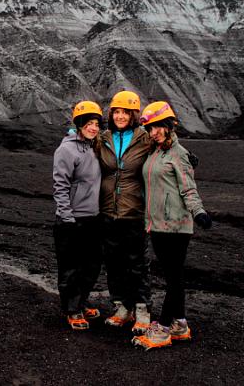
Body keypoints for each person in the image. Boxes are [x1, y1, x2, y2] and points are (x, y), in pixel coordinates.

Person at [131, 100, 213, 350]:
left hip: (176, 226)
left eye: (158, 126)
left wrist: (199, 213)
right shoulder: (155, 152)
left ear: (169, 125)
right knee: (172, 275)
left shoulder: (179, 154)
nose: (154, 132)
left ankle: (163, 329)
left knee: (174, 279)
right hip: (157, 225)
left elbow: (189, 189)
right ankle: (180, 324)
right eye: (150, 128)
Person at [97, 90, 153, 335]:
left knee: (137, 263)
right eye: (116, 112)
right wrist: (72, 135)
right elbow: (83, 142)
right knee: (114, 262)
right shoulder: (103, 139)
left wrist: (184, 157)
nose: (120, 116)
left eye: (125, 112)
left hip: (134, 212)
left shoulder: (145, 139)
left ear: (134, 115)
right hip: (108, 212)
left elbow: (166, 145)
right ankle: (122, 307)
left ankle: (142, 309)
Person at [52, 100, 104, 330]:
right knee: (71, 267)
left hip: (94, 218)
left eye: (97, 124)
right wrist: (67, 217)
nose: (93, 128)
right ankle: (72, 310)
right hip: (72, 219)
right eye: (89, 123)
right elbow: (60, 185)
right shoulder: (66, 149)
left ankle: (81, 302)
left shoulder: (95, 147)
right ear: (79, 123)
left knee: (91, 265)